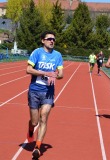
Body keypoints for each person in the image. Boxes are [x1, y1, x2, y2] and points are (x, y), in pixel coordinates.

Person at [26, 30, 63, 159]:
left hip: (48, 92)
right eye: (49, 39)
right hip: (34, 91)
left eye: (54, 39)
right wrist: (45, 73)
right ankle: (30, 129)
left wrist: (56, 75)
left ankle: (37, 147)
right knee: (35, 121)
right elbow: (28, 69)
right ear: (43, 40)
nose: (52, 41)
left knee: (44, 118)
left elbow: (61, 74)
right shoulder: (37, 53)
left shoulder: (58, 55)